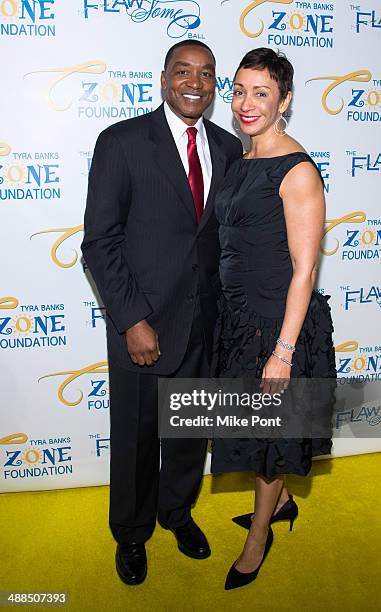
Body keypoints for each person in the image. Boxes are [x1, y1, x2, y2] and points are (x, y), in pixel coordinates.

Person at [81, 40, 243, 585]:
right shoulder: (122, 142)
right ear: (164, 79)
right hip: (143, 327)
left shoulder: (228, 148)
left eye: (206, 74)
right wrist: (131, 320)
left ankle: (176, 512)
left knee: (189, 434)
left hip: (206, 325)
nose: (194, 82)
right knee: (134, 439)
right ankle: (130, 533)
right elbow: (100, 242)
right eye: (183, 72)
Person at [210, 48, 336, 590]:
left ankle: (258, 536)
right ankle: (280, 503)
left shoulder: (297, 170)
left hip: (277, 327)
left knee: (268, 439)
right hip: (240, 321)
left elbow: (305, 271)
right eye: (239, 90)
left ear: (285, 100)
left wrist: (282, 352)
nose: (245, 103)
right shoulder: (242, 159)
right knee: (260, 433)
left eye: (261, 93)